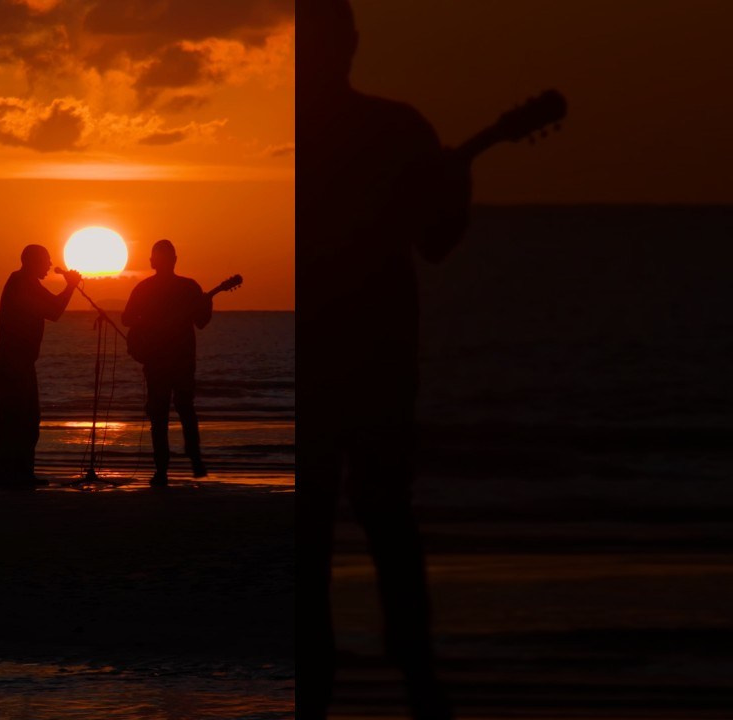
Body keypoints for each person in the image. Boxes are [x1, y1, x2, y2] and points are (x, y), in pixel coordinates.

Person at [300, 1, 473, 719]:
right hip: (363, 359)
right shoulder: (396, 130)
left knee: (369, 524)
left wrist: (452, 179)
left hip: (363, 361)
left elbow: (432, 241)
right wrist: (450, 184)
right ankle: (412, 688)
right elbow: (438, 240)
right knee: (378, 524)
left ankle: (408, 684)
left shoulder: (394, 129)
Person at [122, 239, 213, 487]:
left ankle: (162, 471)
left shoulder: (145, 288)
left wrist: (146, 324)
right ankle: (195, 463)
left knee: (160, 416)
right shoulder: (188, 287)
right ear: (174, 260)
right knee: (184, 410)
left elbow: (127, 318)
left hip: (162, 362)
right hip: (176, 361)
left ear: (153, 261)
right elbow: (203, 322)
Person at [0, 245, 80, 489]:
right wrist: (71, 286)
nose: (50, 265)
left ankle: (17, 473)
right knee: (18, 418)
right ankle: (9, 475)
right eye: (46, 260)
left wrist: (69, 287)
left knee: (25, 418)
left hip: (20, 360)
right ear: (33, 261)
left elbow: (52, 307)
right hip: (13, 360)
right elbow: (54, 311)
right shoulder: (22, 282)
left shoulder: (27, 282)